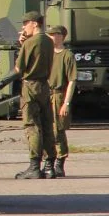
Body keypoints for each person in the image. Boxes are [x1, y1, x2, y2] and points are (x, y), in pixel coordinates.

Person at [13, 11, 57, 179]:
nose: (23, 27)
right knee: (47, 125)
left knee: (32, 126)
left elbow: (19, 68)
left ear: (34, 23)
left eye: (25, 24)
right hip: (44, 85)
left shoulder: (30, 43)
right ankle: (50, 165)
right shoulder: (48, 41)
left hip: (30, 86)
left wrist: (21, 45)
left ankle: (34, 166)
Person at [47, 25, 77, 178]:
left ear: (62, 36)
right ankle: (48, 162)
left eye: (54, 34)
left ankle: (60, 162)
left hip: (59, 95)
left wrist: (66, 102)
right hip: (45, 94)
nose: (51, 36)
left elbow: (72, 80)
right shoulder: (46, 54)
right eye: (50, 34)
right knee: (45, 130)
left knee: (58, 130)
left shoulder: (67, 55)